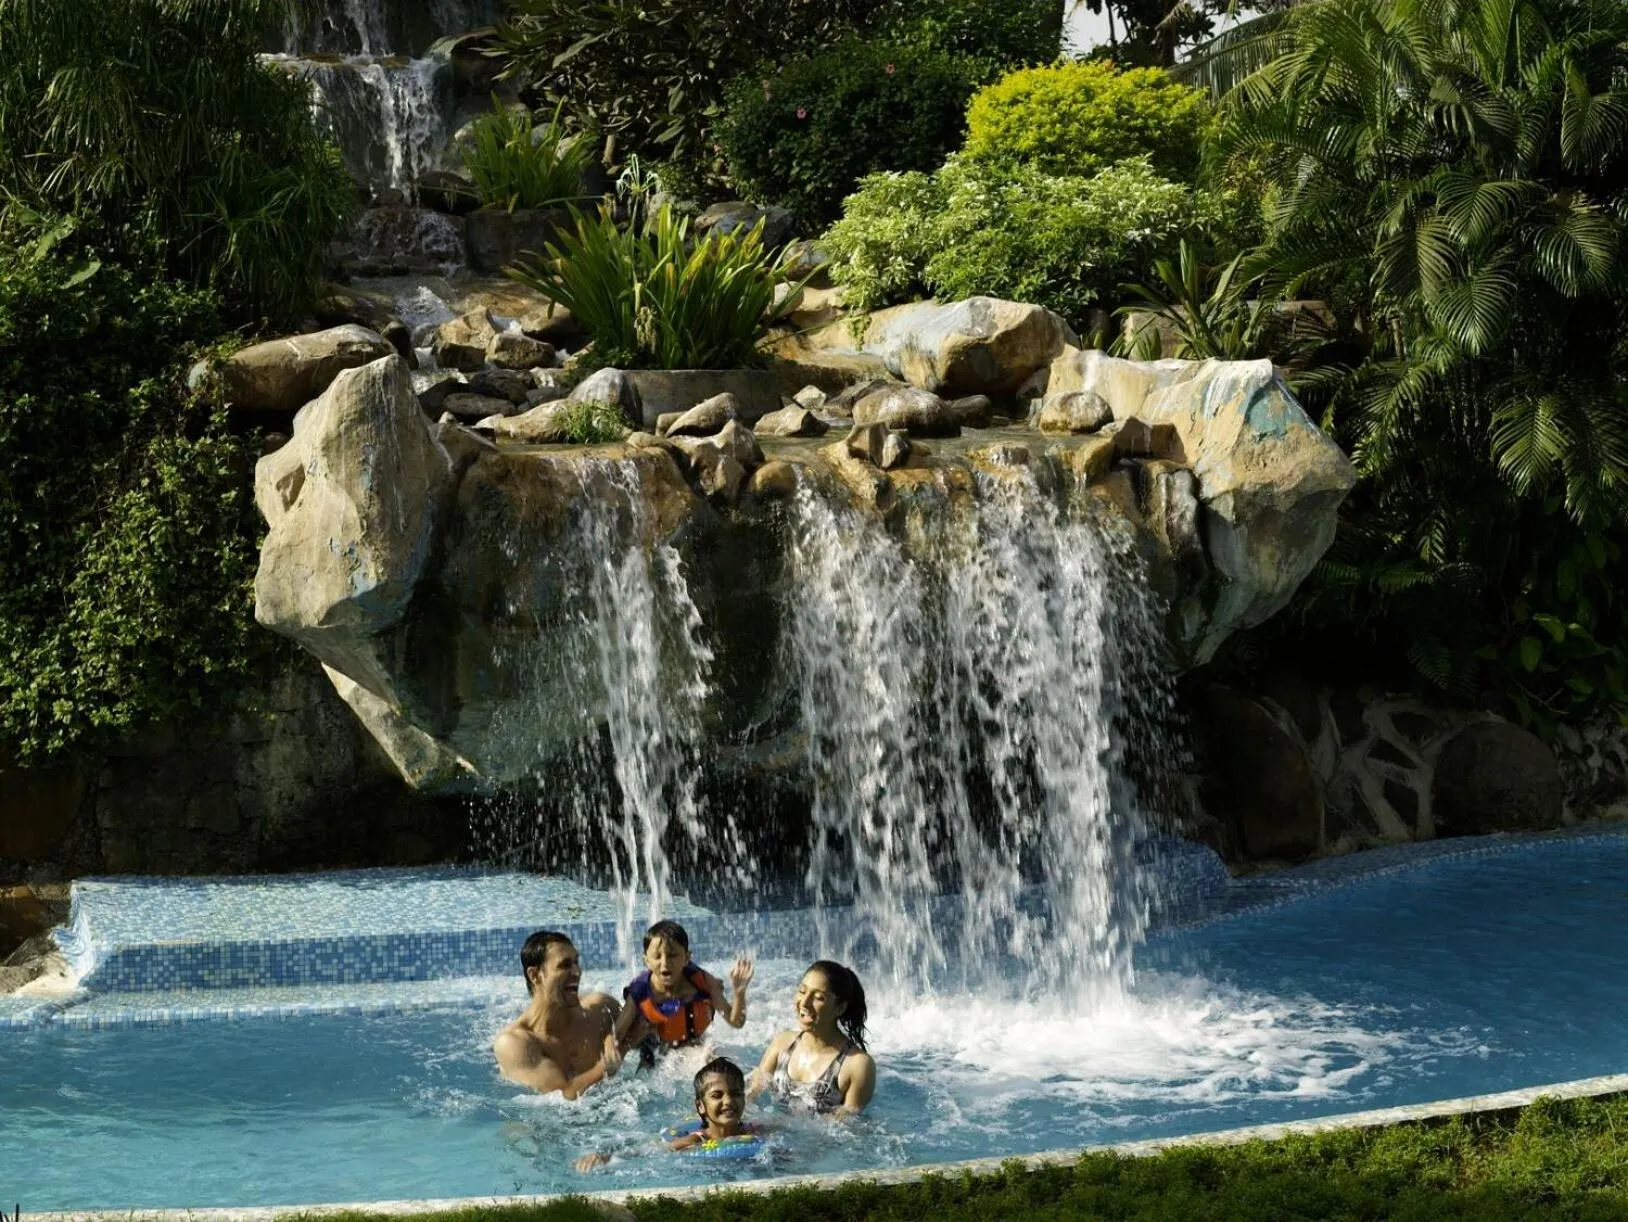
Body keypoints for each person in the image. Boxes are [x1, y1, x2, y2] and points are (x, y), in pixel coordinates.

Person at [574, 1056, 765, 1171]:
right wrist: (606, 1158)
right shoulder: (696, 1140)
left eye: (736, 1094)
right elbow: (654, 1150)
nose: (728, 1101)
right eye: (717, 1095)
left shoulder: (754, 1130)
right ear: (700, 1106)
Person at [493, 930, 623, 1098]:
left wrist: (612, 1036)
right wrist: (605, 1066)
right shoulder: (514, 1043)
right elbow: (563, 1096)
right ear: (535, 975)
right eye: (564, 965)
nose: (577, 972)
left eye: (576, 962)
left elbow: (647, 1029)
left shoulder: (601, 1010)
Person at [614, 919, 754, 1065]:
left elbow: (736, 1022)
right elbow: (616, 1039)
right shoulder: (640, 992)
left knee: (711, 1056)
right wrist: (622, 1050)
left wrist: (739, 992)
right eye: (657, 956)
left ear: (687, 958)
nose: (665, 963)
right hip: (655, 1052)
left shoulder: (703, 982)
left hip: (694, 1048)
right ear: (646, 961)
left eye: (672, 955)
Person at [750, 959, 875, 1114]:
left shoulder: (857, 1065)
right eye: (802, 991)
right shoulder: (782, 1043)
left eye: (818, 997)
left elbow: (845, 1127)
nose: (805, 1002)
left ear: (840, 1008)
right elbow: (750, 1096)